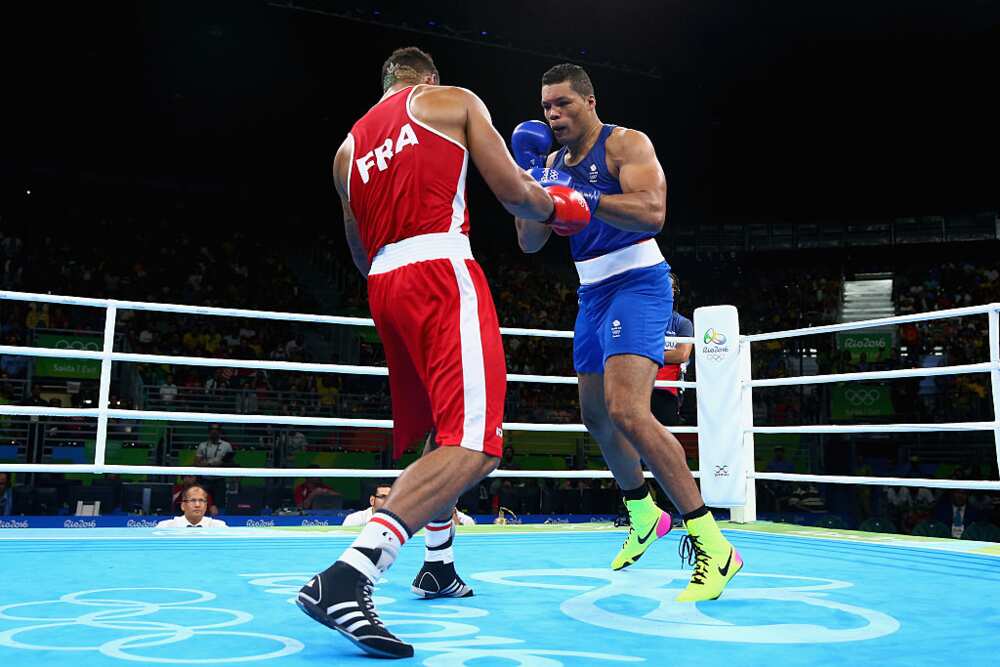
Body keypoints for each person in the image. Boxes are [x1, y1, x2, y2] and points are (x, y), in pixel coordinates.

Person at [296, 47, 586, 659]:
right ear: (426, 78)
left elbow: (356, 246)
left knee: (442, 429)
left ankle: (438, 565)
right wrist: (563, 205)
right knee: (476, 444)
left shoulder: (346, 151)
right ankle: (350, 575)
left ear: (384, 84)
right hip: (438, 270)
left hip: (383, 283)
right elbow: (512, 194)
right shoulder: (450, 100)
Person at [512, 63, 741, 602]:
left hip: (637, 281)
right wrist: (530, 182)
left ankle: (711, 540)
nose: (553, 114)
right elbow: (528, 242)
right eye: (547, 106)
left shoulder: (626, 145)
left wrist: (583, 199)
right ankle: (643, 511)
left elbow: (653, 211)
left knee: (628, 410)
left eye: (563, 103)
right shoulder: (548, 161)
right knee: (595, 415)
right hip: (591, 291)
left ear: (590, 102)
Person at [650, 273, 693, 427]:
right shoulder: (644, 320)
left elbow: (682, 354)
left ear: (675, 293)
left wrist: (648, 355)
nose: (666, 290)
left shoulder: (682, 323)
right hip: (640, 385)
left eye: (670, 287)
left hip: (667, 390)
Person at [156, 484, 227, 528]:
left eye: (201, 501)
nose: (197, 505)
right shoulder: (165, 527)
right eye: (193, 500)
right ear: (183, 506)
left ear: (206, 506)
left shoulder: (219, 527)